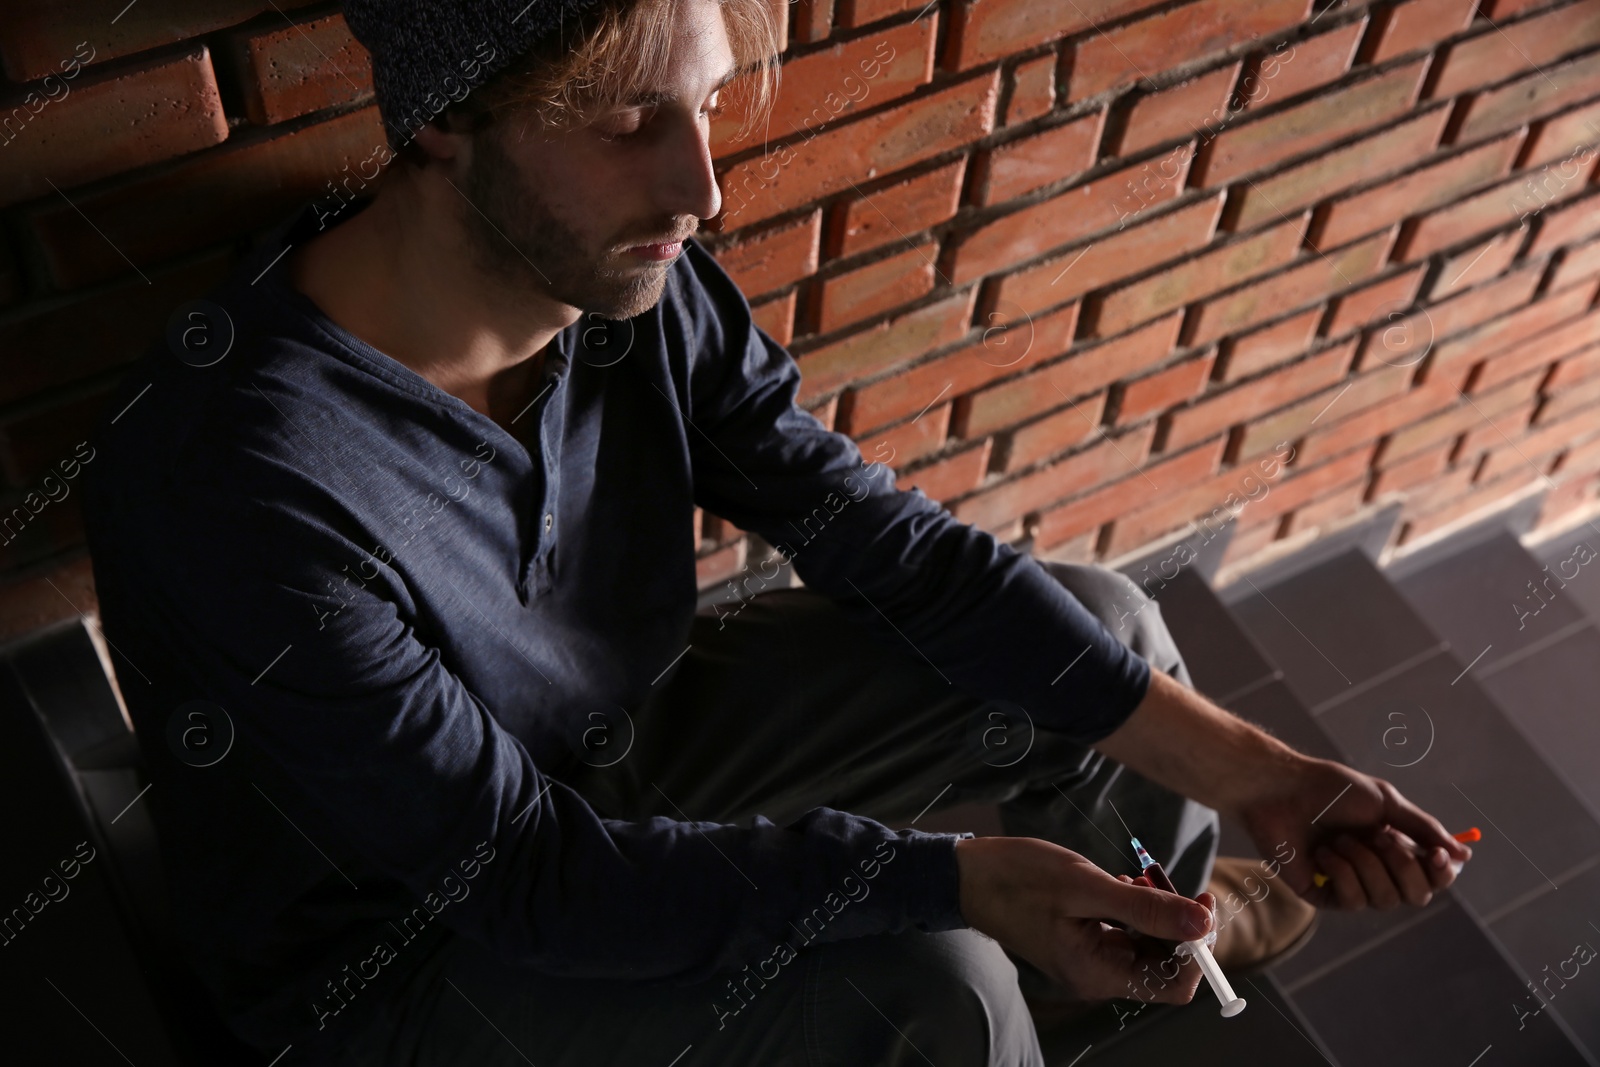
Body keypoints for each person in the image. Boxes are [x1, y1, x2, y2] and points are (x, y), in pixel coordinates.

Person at [80, 0, 1473, 1063]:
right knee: (937, 982)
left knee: (1110, 624)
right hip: (408, 946)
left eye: (705, 107)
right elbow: (524, 884)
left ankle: (1161, 952)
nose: (703, 189)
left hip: (615, 751)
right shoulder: (235, 487)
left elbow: (886, 543)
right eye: (629, 120)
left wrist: (1266, 772)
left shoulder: (627, 282)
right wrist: (953, 880)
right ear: (448, 114)